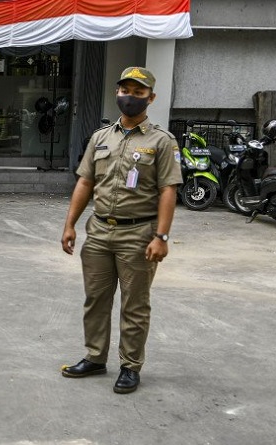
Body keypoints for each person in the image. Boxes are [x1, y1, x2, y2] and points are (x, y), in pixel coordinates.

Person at [59, 67, 182, 394]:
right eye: (125, 90)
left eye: (138, 93)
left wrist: (162, 236)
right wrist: (70, 223)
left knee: (135, 304)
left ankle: (130, 366)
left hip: (139, 234)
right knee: (95, 299)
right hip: (98, 231)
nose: (130, 97)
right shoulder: (100, 138)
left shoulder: (161, 141)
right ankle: (95, 357)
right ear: (117, 93)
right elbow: (85, 181)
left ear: (150, 98)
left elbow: (169, 190)